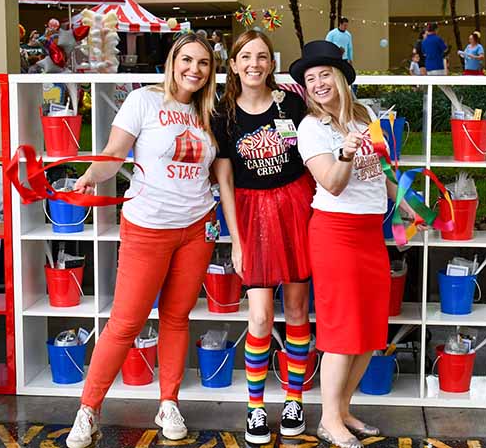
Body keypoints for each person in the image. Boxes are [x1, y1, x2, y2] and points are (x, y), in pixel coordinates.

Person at [66, 33, 218, 448]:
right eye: (187, 59)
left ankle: (168, 402)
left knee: (175, 318)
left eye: (203, 63)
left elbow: (214, 171)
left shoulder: (208, 111)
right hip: (147, 227)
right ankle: (88, 410)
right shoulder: (144, 101)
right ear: (173, 61)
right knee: (126, 322)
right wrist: (88, 177)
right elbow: (115, 154)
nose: (194, 69)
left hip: (197, 228)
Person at [291, 41, 422, 448]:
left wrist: (409, 206)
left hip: (369, 234)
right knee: (342, 331)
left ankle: (344, 409)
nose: (317, 83)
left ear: (341, 77)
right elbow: (331, 181)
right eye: (310, 79)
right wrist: (344, 153)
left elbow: (379, 173)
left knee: (370, 331)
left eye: (323, 74)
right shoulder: (311, 128)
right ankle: (329, 420)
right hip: (335, 234)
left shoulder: (365, 116)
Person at [211, 30, 313, 444]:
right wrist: (236, 239)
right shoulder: (223, 114)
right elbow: (225, 181)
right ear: (233, 64)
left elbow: (309, 154)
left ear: (272, 63)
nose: (254, 64)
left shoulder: (290, 103)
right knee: (260, 316)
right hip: (252, 216)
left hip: (294, 206)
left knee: (297, 309)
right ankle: (255, 408)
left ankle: (294, 400)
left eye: (262, 57)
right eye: (245, 57)